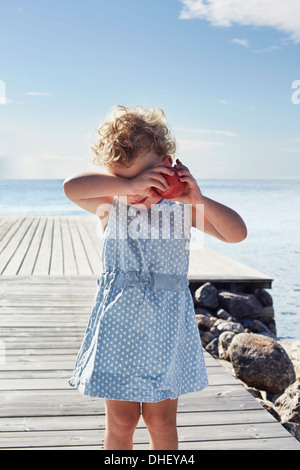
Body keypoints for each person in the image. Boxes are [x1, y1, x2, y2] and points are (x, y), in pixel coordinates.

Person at [63, 105, 247, 450]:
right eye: (128, 179)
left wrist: (198, 198)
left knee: (160, 421)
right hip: (119, 326)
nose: (142, 191)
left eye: (152, 178)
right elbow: (71, 187)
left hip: (166, 327)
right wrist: (126, 186)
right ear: (114, 177)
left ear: (169, 164)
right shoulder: (110, 204)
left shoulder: (183, 210)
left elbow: (236, 233)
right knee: (122, 421)